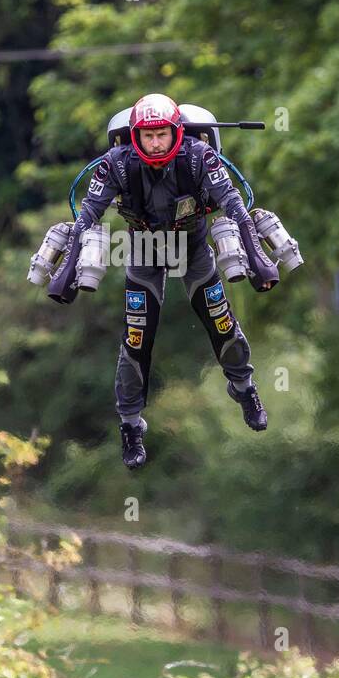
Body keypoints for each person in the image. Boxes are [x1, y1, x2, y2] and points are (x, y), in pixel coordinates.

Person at [48, 93, 280, 470]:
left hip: (193, 248)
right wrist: (65, 273)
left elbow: (235, 204)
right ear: (135, 137)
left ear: (176, 133)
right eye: (147, 136)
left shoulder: (199, 156)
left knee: (220, 323)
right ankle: (130, 425)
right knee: (137, 337)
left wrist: (259, 261)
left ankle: (243, 388)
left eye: (162, 135)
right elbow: (86, 215)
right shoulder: (116, 165)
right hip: (143, 251)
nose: (155, 144)